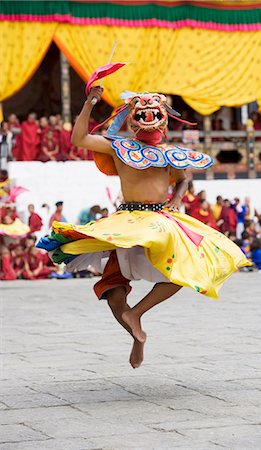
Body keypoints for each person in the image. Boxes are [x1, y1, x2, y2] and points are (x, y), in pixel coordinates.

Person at [38, 87, 249, 369]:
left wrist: (175, 199)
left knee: (184, 273)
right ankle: (136, 335)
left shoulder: (171, 153)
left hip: (160, 220)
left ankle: (136, 313)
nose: (148, 115)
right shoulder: (119, 147)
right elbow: (79, 138)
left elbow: (183, 179)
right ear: (132, 119)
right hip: (127, 221)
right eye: (142, 112)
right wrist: (90, 101)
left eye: (154, 112)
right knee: (114, 293)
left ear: (163, 118)